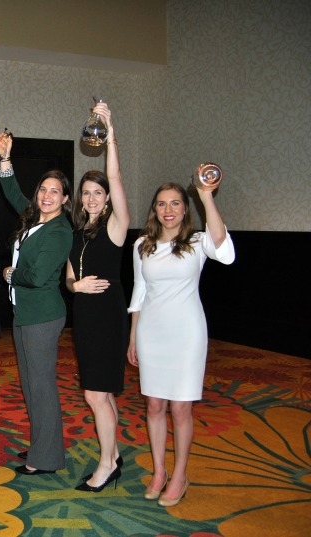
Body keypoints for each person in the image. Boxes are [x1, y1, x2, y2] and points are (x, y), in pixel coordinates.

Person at [127, 182, 234, 507]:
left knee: (180, 407)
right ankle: (159, 472)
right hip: (151, 331)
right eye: (162, 204)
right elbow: (139, 291)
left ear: (186, 209)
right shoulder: (142, 244)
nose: (169, 210)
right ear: (154, 210)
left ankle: (180, 475)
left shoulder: (198, 242)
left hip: (187, 333)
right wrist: (133, 336)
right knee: (155, 406)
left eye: (176, 203)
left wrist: (206, 196)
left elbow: (226, 253)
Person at [0, 133, 73, 476]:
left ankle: (47, 458)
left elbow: (38, 276)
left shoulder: (59, 231)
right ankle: (42, 445)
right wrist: (6, 160)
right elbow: (13, 194)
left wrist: (11, 273)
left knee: (41, 386)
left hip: (42, 316)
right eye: (43, 189)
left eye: (54, 191)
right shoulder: (36, 220)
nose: (46, 195)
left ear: (65, 198)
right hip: (26, 314)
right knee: (30, 385)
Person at [65, 102, 130, 492]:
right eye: (86, 193)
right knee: (102, 393)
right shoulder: (76, 235)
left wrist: (109, 129)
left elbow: (116, 174)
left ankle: (106, 464)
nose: (91, 198)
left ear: (107, 198)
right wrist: (77, 286)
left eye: (98, 192)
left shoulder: (117, 227)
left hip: (108, 318)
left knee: (94, 394)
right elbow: (70, 278)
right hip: (85, 320)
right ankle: (115, 452)